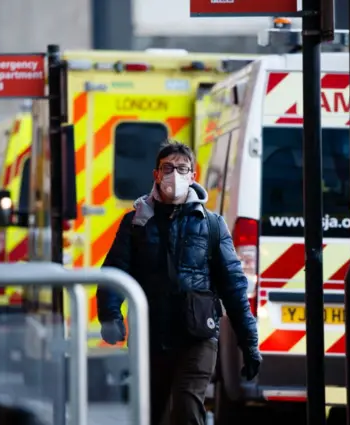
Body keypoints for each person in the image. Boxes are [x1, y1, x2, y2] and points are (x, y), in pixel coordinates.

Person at [96, 140, 261, 425]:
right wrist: (111, 316)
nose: (174, 174)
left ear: (193, 176)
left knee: (186, 406)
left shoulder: (211, 224)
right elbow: (114, 272)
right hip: (151, 335)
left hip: (197, 334)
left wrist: (249, 342)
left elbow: (233, 285)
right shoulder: (135, 224)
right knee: (151, 412)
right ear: (156, 175)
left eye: (182, 168)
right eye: (167, 168)